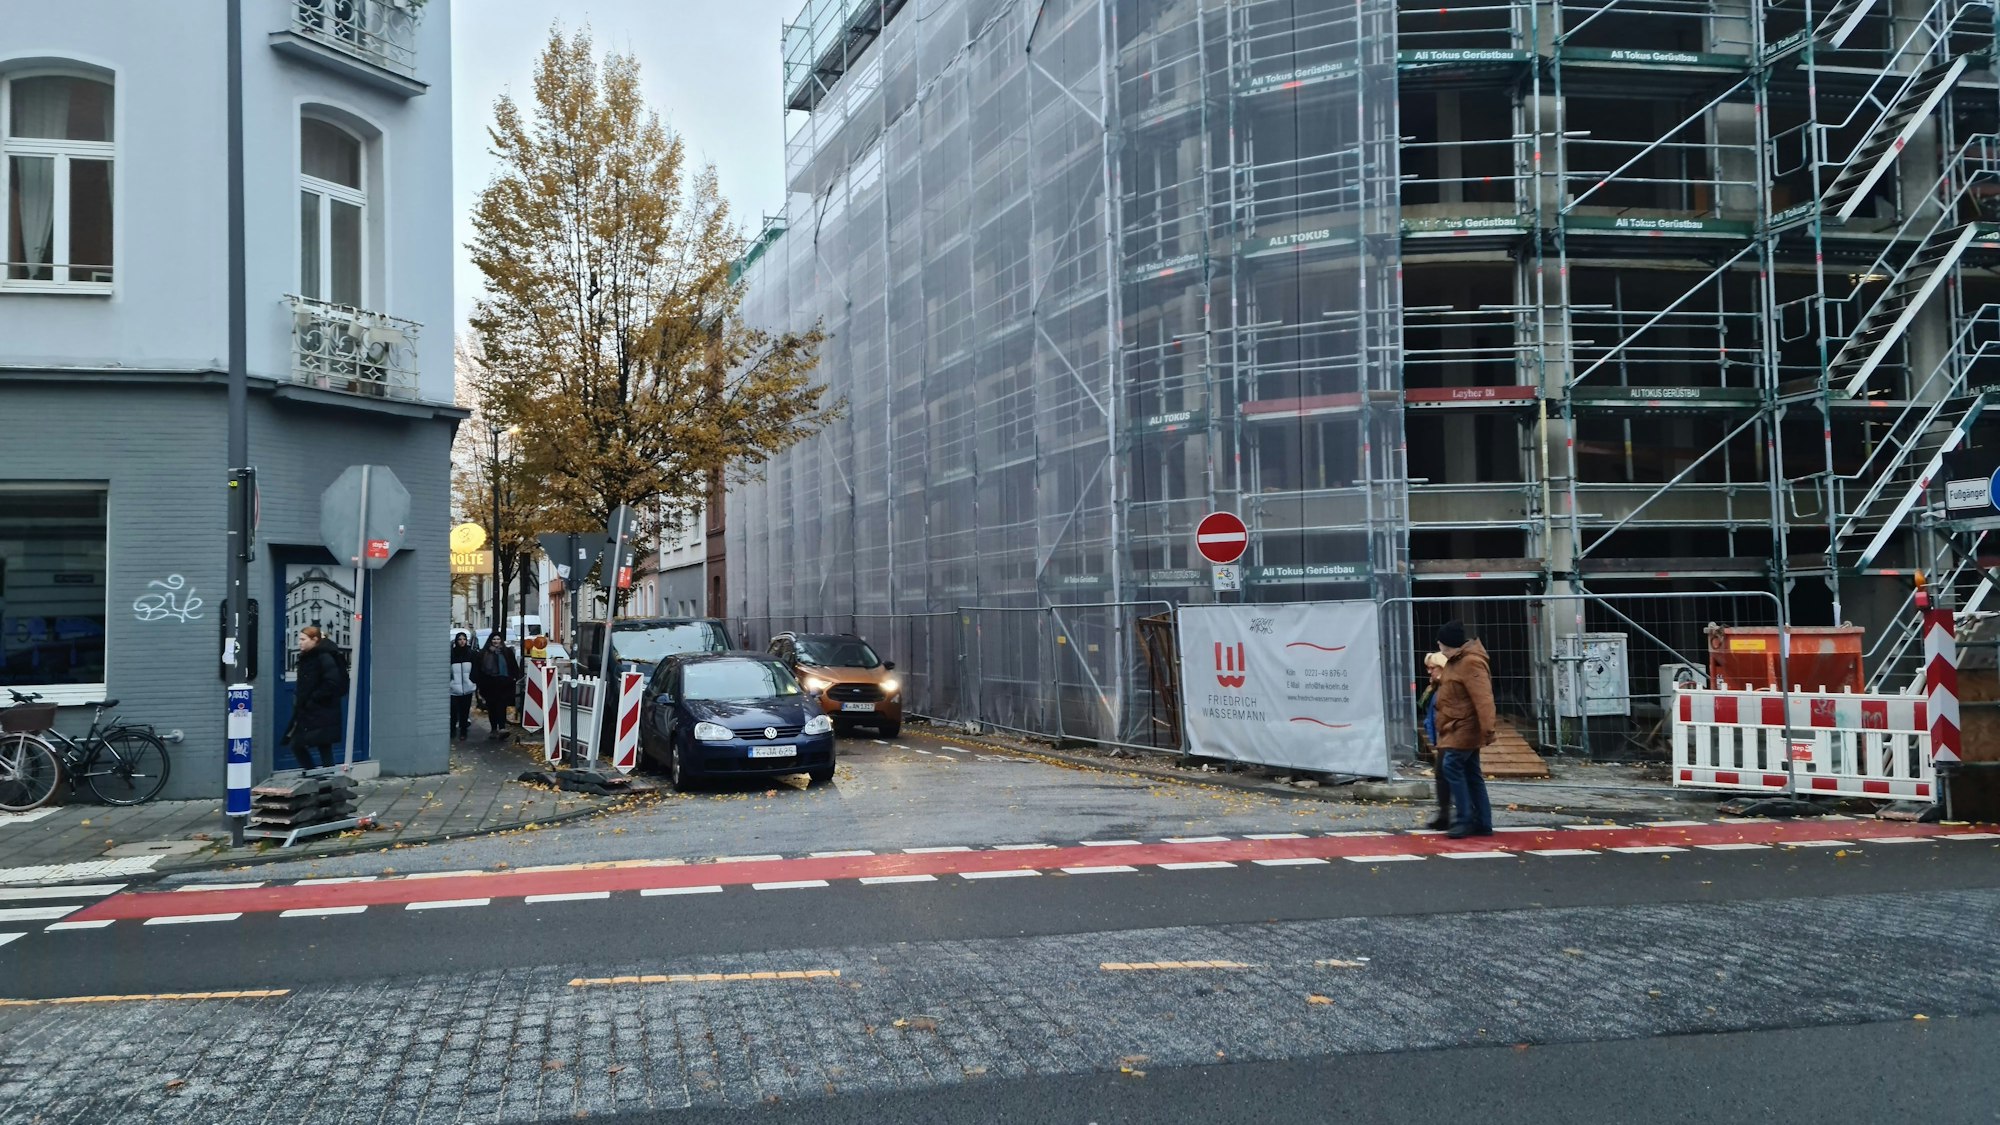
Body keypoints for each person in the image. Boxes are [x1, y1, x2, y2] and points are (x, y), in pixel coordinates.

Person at [1431, 620, 1495, 838]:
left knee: (1451, 767)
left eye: (1441, 644)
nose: (1439, 648)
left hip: (1464, 727)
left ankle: (1464, 819)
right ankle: (1483, 822)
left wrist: (1488, 729)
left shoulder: (1470, 663)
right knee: (1471, 773)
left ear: (1449, 644)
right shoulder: (1456, 661)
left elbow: (1483, 698)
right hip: (1456, 726)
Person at [290, 625, 349, 771]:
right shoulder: (308, 656)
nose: (299, 643)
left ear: (314, 640)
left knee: (304, 744)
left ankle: (319, 777)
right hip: (312, 710)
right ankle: (323, 778)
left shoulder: (324, 657)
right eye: (299, 639)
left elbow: (332, 682)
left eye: (303, 639)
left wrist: (313, 699)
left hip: (321, 710)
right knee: (316, 745)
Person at [1420, 650, 1452, 830]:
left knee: (1447, 775)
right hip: (1443, 739)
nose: (1429, 671)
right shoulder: (1435, 688)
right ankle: (1446, 813)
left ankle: (1449, 814)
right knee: (1443, 776)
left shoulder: (1445, 688)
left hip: (1448, 738)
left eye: (1432, 668)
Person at [475, 631, 521, 740]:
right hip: (489, 684)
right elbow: (479, 669)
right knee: (492, 707)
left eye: (498, 639)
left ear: (501, 640)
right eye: (494, 639)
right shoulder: (484, 653)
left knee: (501, 706)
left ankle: (502, 728)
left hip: (504, 683)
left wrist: (513, 678)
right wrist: (479, 683)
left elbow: (513, 666)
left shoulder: (507, 652)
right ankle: (494, 729)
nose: (496, 641)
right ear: (491, 640)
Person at [449, 631, 477, 741]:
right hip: (454, 688)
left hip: (467, 688)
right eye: (460, 639)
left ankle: (463, 731)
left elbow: (475, 669)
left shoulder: (471, 654)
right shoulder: (451, 654)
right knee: (453, 711)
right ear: (456, 641)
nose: (462, 641)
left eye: (464, 639)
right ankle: (452, 730)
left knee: (465, 711)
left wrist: (472, 680)